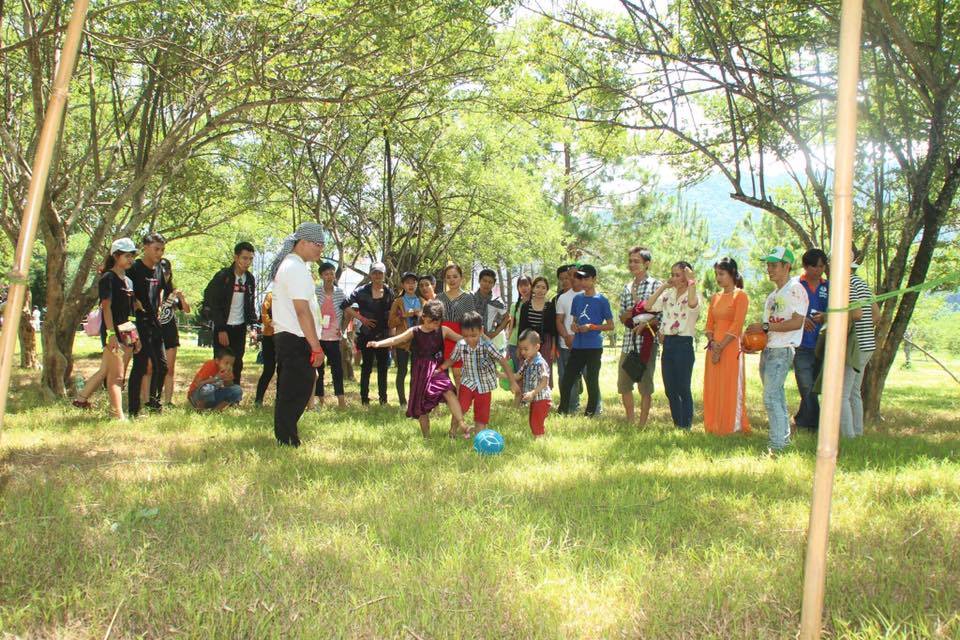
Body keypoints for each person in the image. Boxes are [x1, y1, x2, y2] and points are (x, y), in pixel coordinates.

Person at [368, 300, 468, 438]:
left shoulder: (443, 330)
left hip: (437, 370)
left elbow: (462, 339)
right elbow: (395, 340)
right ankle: (427, 437)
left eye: (437, 322)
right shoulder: (414, 331)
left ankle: (461, 423)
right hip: (420, 373)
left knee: (449, 392)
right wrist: (377, 344)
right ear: (424, 317)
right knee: (421, 406)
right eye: (431, 322)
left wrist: (478, 338)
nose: (434, 326)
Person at [269, 223, 328, 447]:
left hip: (292, 336)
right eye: (318, 244)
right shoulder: (294, 267)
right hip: (295, 337)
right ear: (302, 242)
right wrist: (316, 347)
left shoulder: (295, 265)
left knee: (296, 386)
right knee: (295, 389)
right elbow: (302, 311)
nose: (321, 249)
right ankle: (286, 438)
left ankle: (287, 435)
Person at [745, 247, 809, 454]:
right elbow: (769, 328)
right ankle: (782, 441)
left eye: (774, 265)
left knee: (771, 397)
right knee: (776, 397)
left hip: (783, 350)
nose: (769, 269)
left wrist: (764, 327)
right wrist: (752, 342)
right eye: (768, 265)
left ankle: (776, 445)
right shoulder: (773, 295)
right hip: (769, 350)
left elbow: (797, 322)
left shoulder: (795, 289)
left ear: (786, 266)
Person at [74, 238, 141, 419]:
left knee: (105, 370)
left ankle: (81, 399)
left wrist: (135, 336)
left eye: (132, 256)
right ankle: (117, 416)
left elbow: (130, 312)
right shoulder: (108, 278)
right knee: (117, 376)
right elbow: (106, 308)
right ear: (116, 256)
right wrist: (111, 335)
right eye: (127, 256)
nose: (130, 259)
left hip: (127, 331)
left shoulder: (129, 281)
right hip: (113, 333)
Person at [441, 311, 517, 435]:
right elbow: (452, 359)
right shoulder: (461, 345)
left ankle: (480, 436)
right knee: (461, 408)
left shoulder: (488, 346)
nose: (470, 339)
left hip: (484, 386)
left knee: (482, 414)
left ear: (481, 330)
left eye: (473, 335)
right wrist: (440, 368)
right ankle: (452, 431)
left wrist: (512, 382)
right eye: (466, 336)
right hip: (467, 383)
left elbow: (503, 362)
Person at [645, 261, 699, 429]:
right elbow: (648, 306)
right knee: (670, 388)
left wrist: (692, 282)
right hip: (668, 343)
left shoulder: (694, 293)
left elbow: (692, 304)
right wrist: (662, 287)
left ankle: (686, 425)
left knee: (683, 386)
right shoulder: (668, 294)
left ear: (686, 276)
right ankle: (678, 424)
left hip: (683, 343)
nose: (674, 278)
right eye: (672, 275)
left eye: (678, 275)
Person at [557, 265, 614, 416]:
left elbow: (610, 325)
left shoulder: (602, 300)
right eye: (580, 278)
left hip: (594, 347)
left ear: (594, 279)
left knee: (592, 380)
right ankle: (563, 410)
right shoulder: (577, 299)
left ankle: (590, 413)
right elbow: (574, 321)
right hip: (578, 346)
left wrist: (592, 327)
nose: (582, 282)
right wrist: (574, 326)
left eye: (586, 278)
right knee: (567, 379)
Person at [703, 257, 751, 435]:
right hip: (713, 347)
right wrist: (713, 344)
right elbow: (709, 325)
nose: (718, 278)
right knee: (714, 385)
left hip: (730, 348)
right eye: (716, 274)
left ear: (732, 274)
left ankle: (733, 425)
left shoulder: (741, 296)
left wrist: (721, 346)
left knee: (730, 385)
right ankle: (714, 423)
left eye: (721, 274)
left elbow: (737, 325)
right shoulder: (715, 297)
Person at [127, 233, 171, 417]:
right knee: (140, 365)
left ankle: (154, 403)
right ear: (145, 248)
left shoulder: (160, 268)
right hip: (138, 323)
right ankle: (133, 409)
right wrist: (134, 302)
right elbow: (123, 291)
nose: (159, 253)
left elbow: (162, 291)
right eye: (156, 249)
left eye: (162, 250)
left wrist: (160, 305)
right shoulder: (134, 268)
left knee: (163, 366)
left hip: (154, 323)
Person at [618, 247, 662, 426]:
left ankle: (642, 424)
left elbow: (661, 316)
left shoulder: (656, 285)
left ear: (647, 263)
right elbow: (621, 317)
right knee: (623, 384)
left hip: (647, 343)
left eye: (636, 261)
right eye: (630, 261)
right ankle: (630, 422)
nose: (632, 264)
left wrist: (646, 323)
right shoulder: (626, 287)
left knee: (645, 386)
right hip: (628, 343)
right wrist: (628, 314)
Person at [205, 242, 257, 385]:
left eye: (250, 259)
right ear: (236, 257)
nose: (247, 262)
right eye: (244, 258)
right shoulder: (223, 276)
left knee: (237, 363)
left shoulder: (250, 279)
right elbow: (214, 303)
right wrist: (220, 328)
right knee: (221, 363)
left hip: (239, 327)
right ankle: (216, 391)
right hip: (223, 327)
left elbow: (250, 304)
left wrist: (253, 326)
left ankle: (233, 393)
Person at [342, 262, 394, 405]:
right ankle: (364, 399)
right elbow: (345, 305)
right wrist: (361, 319)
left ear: (384, 275)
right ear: (370, 274)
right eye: (374, 272)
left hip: (383, 335)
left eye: (380, 273)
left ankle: (383, 399)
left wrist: (392, 334)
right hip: (366, 334)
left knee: (383, 368)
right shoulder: (361, 291)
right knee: (366, 367)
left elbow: (392, 312)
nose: (377, 275)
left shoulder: (389, 292)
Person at [840, 262, 877, 438]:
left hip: (855, 346)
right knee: (854, 392)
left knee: (842, 394)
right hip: (867, 344)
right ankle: (858, 432)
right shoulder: (862, 284)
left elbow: (856, 313)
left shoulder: (846, 283)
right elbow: (876, 315)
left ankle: (849, 436)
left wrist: (832, 320)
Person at [794, 249, 829, 430]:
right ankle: (817, 425)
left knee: (813, 387)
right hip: (801, 344)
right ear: (805, 266)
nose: (819, 270)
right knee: (806, 386)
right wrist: (801, 320)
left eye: (822, 266)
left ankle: (802, 420)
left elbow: (838, 312)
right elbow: (785, 311)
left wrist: (825, 316)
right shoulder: (795, 285)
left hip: (821, 344)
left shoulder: (829, 287)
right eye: (815, 267)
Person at [435, 264, 476, 388]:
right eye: (448, 277)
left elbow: (471, 320)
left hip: (460, 337)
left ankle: (460, 399)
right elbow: (435, 318)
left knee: (458, 375)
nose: (451, 280)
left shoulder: (468, 298)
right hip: (441, 337)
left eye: (455, 276)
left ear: (461, 278)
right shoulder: (439, 297)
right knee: (439, 375)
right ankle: (441, 399)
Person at [157, 258, 190, 406]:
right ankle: (153, 398)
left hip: (170, 333)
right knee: (154, 368)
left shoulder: (173, 292)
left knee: (169, 369)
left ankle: (168, 401)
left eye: (167, 273)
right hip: (155, 333)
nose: (165, 276)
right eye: (162, 273)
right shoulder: (152, 290)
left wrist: (181, 297)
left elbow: (187, 310)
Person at [314, 262, 347, 409]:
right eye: (326, 274)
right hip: (318, 337)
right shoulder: (316, 292)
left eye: (332, 274)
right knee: (318, 370)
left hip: (334, 337)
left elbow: (348, 311)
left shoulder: (340, 293)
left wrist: (343, 328)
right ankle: (320, 401)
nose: (329, 277)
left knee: (337, 370)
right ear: (321, 276)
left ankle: (341, 401)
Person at [388, 272, 422, 406]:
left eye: (413, 282)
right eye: (408, 282)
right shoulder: (398, 301)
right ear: (403, 285)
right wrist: (403, 316)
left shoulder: (422, 301)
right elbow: (391, 323)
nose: (411, 285)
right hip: (402, 341)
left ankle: (413, 400)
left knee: (416, 372)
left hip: (418, 342)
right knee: (402, 370)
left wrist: (420, 315)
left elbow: (429, 321)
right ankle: (402, 402)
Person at [517, 276, 557, 385]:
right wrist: (519, 347)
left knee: (544, 370)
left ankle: (543, 393)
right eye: (538, 287)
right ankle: (525, 392)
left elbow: (553, 329)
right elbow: (521, 328)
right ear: (533, 288)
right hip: (527, 341)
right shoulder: (526, 306)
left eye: (543, 288)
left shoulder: (550, 306)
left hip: (545, 342)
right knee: (525, 368)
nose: (540, 290)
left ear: (547, 290)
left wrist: (553, 348)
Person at [555, 264, 583, 412]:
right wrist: (566, 337)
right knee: (566, 376)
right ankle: (570, 407)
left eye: (572, 276)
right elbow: (558, 321)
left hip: (585, 344)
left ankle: (595, 409)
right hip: (565, 344)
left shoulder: (587, 294)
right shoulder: (561, 298)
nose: (569, 280)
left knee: (588, 376)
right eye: (564, 278)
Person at [515, 330, 552, 438]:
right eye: (521, 349)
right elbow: (517, 376)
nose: (523, 352)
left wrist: (532, 393)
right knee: (533, 422)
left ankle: (539, 441)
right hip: (535, 399)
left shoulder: (540, 363)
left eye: (526, 349)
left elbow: (544, 382)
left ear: (537, 347)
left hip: (542, 399)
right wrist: (501, 374)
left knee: (536, 423)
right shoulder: (527, 362)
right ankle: (539, 438)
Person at [474, 268, 510, 350]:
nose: (486, 284)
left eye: (490, 282)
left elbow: (507, 317)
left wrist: (495, 333)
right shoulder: (470, 297)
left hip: (488, 340)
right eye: (484, 281)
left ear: (493, 284)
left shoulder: (497, 301)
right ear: (479, 281)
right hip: (471, 338)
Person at [254, 292, 277, 406]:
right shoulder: (270, 296)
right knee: (268, 370)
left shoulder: (291, 296)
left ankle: (280, 399)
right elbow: (264, 314)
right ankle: (258, 400)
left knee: (283, 370)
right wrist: (271, 323)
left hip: (285, 337)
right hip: (269, 337)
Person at [505, 275, 532, 367]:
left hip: (529, 343)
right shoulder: (514, 306)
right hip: (514, 343)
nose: (523, 288)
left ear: (531, 286)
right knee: (517, 371)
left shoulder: (535, 304)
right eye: (520, 286)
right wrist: (508, 348)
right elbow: (511, 326)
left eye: (526, 285)